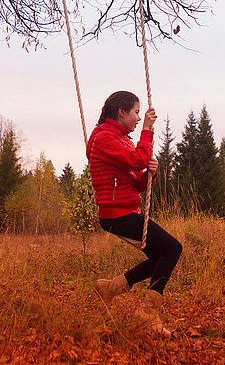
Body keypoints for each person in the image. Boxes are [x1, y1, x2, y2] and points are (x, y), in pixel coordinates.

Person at [86, 90, 182, 335]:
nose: (139, 118)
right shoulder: (105, 138)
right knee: (172, 248)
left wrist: (151, 173)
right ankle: (146, 315)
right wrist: (148, 131)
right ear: (122, 112)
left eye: (141, 114)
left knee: (160, 256)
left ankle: (110, 288)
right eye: (137, 112)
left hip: (126, 210)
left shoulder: (121, 139)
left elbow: (136, 181)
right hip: (117, 214)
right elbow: (137, 159)